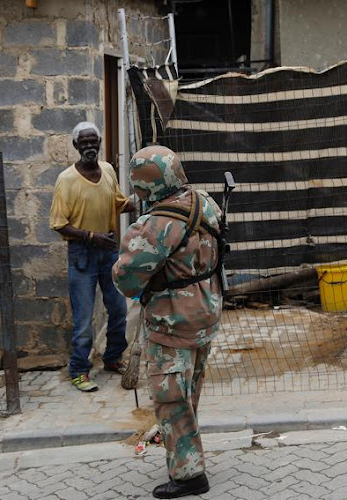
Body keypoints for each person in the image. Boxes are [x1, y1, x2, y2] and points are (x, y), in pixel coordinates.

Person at [113, 145, 222, 499]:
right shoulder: (204, 203)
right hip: (206, 312)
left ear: (150, 185)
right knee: (189, 389)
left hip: (172, 321)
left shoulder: (155, 224)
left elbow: (126, 277)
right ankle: (184, 448)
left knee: (171, 397)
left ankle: (189, 475)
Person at [49, 121, 136, 392]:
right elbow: (58, 224)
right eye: (83, 142)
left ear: (99, 142)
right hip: (82, 254)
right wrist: (90, 236)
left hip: (109, 250)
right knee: (84, 318)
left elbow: (119, 203)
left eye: (93, 141)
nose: (89, 146)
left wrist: (147, 198)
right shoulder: (66, 180)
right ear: (76, 146)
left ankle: (112, 358)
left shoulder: (108, 170)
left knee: (119, 309)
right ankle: (79, 370)